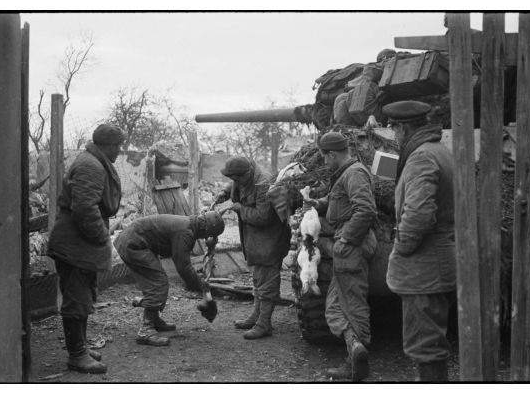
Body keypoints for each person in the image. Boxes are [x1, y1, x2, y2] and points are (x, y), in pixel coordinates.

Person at [382, 100, 456, 382]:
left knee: (425, 346)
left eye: (394, 129)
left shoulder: (421, 156)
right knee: (430, 342)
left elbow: (419, 213)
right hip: (437, 262)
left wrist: (401, 247)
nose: (394, 135)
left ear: (402, 127)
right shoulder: (438, 150)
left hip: (424, 269)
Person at [48, 123, 126, 374]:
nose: (119, 151)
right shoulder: (91, 165)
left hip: (78, 242)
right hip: (75, 242)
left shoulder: (92, 161)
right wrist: (102, 237)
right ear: (109, 145)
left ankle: (79, 346)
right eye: (118, 146)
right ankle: (77, 354)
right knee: (77, 298)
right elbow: (85, 208)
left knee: (83, 295)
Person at [307, 132, 377, 381]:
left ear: (333, 154)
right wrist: (318, 203)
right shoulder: (347, 173)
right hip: (348, 247)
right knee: (335, 307)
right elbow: (339, 201)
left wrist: (346, 238)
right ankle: (354, 349)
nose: (325, 162)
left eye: (325, 157)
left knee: (353, 303)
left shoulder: (354, 173)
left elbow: (365, 209)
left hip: (352, 246)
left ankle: (356, 361)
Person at [114, 211, 225, 346]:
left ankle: (154, 319)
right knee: (158, 283)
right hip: (133, 244)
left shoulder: (189, 225)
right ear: (205, 229)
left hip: (133, 241)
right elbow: (183, 267)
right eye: (208, 235)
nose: (206, 238)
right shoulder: (185, 233)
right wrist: (201, 286)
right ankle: (145, 330)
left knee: (158, 281)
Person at [214, 156, 290, 339]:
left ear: (247, 174)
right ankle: (256, 316)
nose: (235, 182)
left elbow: (264, 217)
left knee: (267, 280)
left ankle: (264, 324)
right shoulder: (246, 175)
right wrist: (226, 191)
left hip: (269, 239)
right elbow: (238, 184)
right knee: (257, 277)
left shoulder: (263, 184)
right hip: (255, 239)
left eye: (237, 178)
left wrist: (240, 209)